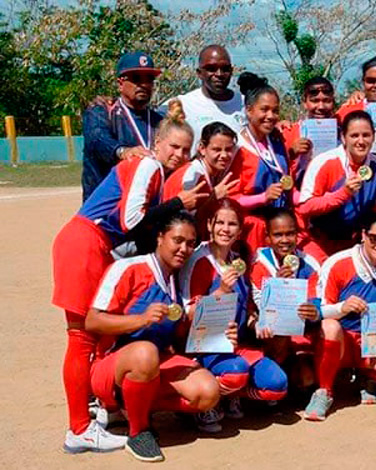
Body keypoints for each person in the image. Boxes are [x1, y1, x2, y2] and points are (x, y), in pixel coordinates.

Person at [52, 101, 204, 455]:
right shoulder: (149, 165)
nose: (179, 155)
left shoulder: (155, 170)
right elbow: (131, 221)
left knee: (91, 337)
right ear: (157, 145)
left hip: (93, 243)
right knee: (81, 338)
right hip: (85, 240)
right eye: (173, 147)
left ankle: (95, 411)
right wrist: (177, 203)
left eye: (185, 149)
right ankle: (79, 428)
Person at [86, 213, 225, 462]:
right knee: (145, 352)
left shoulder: (175, 279)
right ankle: (138, 430)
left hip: (155, 362)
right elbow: (92, 320)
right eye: (178, 240)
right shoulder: (128, 268)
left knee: (208, 393)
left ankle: (129, 406)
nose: (184, 249)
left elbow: (179, 330)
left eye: (191, 243)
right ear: (160, 237)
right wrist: (141, 320)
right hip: (110, 365)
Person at [180, 199, 289, 432]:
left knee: (277, 386)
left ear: (240, 230)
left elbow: (247, 306)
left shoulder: (237, 260)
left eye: (232, 224)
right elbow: (186, 313)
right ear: (209, 224)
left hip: (235, 345)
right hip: (205, 345)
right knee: (236, 373)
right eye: (219, 222)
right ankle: (207, 401)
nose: (225, 229)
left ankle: (232, 396)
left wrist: (255, 321)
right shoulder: (200, 260)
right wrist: (220, 292)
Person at [303, 212, 376, 421]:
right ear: (363, 235)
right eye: (375, 238)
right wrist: (343, 307)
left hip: (373, 342)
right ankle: (324, 391)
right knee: (330, 326)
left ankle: (368, 378)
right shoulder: (338, 263)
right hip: (341, 341)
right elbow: (317, 312)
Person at [299, 110, 376, 261]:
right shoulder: (323, 162)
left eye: (366, 135)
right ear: (343, 137)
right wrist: (343, 194)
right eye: (354, 135)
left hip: (355, 245)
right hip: (318, 242)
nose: (361, 141)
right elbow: (305, 207)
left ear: (374, 136)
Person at [249, 208, 321, 390]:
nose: (284, 240)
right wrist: (279, 287)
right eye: (278, 235)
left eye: (290, 234)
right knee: (278, 335)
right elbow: (259, 305)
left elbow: (318, 301)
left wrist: (313, 311)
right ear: (268, 237)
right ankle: (269, 384)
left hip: (300, 331)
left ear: (297, 234)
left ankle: (295, 375)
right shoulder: (258, 263)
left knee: (307, 380)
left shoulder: (309, 263)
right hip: (265, 332)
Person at [82, 51, 163, 201]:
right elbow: (97, 139)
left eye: (149, 79)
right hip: (106, 208)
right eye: (136, 79)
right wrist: (123, 151)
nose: (143, 85)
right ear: (120, 83)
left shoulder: (160, 120)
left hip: (145, 207)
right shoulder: (101, 112)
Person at [234, 73, 293, 253]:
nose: (270, 116)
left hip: (280, 230)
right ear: (249, 110)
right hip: (251, 230)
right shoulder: (236, 147)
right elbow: (229, 198)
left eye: (275, 111)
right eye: (264, 109)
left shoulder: (277, 141)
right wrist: (263, 198)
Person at [163, 122, 241, 239]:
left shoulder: (209, 174)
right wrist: (213, 198)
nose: (224, 155)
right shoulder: (192, 175)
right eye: (217, 149)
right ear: (202, 148)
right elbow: (184, 222)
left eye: (229, 149)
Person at [164, 45, 246, 155]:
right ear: (199, 73)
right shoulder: (181, 105)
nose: (219, 74)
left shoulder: (246, 104)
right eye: (211, 69)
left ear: (231, 71)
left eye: (225, 69)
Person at [282, 76, 338, 186]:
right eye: (315, 101)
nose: (321, 107)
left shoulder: (344, 132)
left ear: (333, 102)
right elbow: (275, 171)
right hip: (301, 196)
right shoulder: (288, 132)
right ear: (304, 102)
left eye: (326, 101)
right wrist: (292, 153)